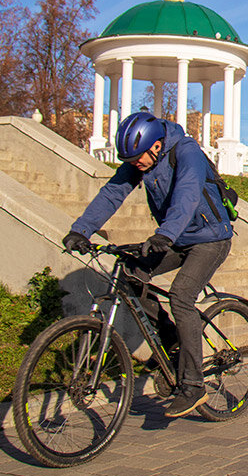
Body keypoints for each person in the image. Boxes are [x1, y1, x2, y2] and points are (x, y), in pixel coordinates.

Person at [62, 112, 234, 418]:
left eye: (138, 158)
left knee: (182, 295)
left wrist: (165, 234)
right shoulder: (139, 161)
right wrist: (81, 229)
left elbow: (188, 194)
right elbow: (113, 192)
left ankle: (193, 385)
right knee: (131, 275)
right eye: (129, 160)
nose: (135, 164)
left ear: (156, 145)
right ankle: (173, 342)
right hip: (176, 237)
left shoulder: (186, 151)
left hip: (210, 237)